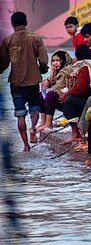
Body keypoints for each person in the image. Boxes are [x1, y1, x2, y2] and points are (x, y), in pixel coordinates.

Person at [0, 12, 49, 151]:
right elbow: (44, 60)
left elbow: (3, 63)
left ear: (12, 24)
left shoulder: (7, 40)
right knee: (35, 108)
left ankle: (26, 145)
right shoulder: (36, 38)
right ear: (26, 22)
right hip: (33, 80)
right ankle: (33, 129)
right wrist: (43, 69)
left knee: (20, 114)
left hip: (16, 82)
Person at [37, 50, 73, 132]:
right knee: (41, 95)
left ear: (63, 60)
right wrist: (51, 77)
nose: (54, 63)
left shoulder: (66, 70)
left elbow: (57, 88)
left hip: (67, 100)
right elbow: (44, 87)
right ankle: (43, 122)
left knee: (50, 95)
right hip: (61, 98)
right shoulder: (56, 71)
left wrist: (50, 81)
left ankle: (48, 124)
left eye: (57, 60)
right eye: (53, 61)